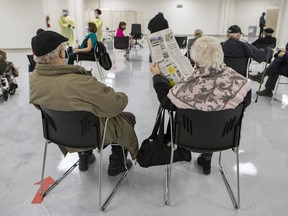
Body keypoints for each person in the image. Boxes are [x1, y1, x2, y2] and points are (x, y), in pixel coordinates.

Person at [30, 30, 138, 175]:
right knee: (127, 117)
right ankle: (117, 165)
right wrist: (122, 95)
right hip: (89, 135)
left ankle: (85, 157)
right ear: (62, 54)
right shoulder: (79, 82)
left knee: (77, 112)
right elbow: (115, 105)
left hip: (59, 133)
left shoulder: (35, 79)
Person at [150, 36, 251, 175]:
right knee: (215, 119)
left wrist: (157, 76)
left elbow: (166, 102)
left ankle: (186, 153)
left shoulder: (184, 86)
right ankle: (206, 158)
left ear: (196, 63)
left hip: (187, 139)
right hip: (224, 139)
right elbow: (245, 104)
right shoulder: (242, 83)